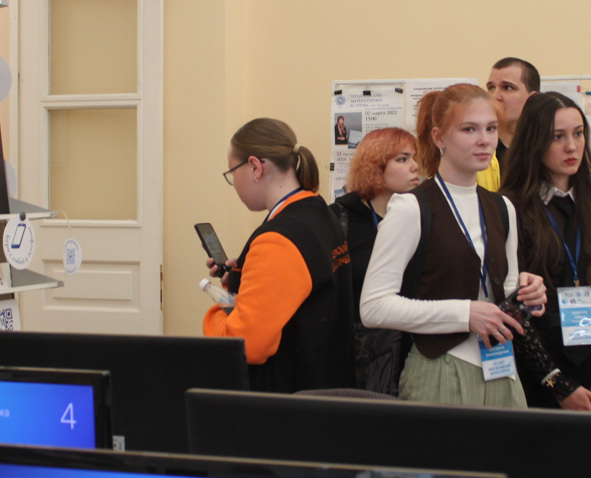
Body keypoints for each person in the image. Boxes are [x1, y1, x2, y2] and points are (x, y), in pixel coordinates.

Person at [360, 84, 547, 407]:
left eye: (491, 129)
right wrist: (465, 314)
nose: (484, 140)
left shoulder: (503, 208)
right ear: (439, 138)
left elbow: (503, 290)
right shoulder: (411, 208)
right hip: (440, 370)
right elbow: (373, 307)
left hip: (502, 370)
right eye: (469, 129)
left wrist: (527, 292)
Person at [501, 91, 591, 411]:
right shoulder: (509, 208)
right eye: (558, 137)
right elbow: (511, 308)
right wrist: (557, 383)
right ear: (534, 142)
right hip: (538, 373)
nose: (572, 146)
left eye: (578, 134)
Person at [203, 118, 354, 392]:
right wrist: (246, 277)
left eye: (232, 172)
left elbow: (247, 345)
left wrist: (218, 313)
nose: (234, 183)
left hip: (288, 399)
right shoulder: (319, 211)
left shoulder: (277, 240)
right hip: (327, 386)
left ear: (255, 167)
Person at [330, 127, 421, 387]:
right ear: (375, 167)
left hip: (411, 350)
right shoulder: (339, 217)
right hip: (358, 355)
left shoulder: (421, 217)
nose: (415, 166)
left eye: (414, 158)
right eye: (402, 159)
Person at [486, 57, 540, 169]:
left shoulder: (545, 147)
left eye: (507, 87)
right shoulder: (481, 148)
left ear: (532, 98)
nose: (495, 96)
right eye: (491, 88)